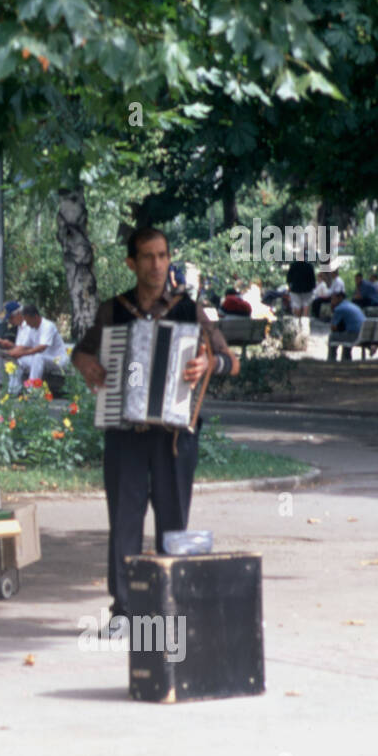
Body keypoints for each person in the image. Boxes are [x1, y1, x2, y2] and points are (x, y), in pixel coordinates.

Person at [70, 226, 238, 635]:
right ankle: (124, 612)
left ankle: (168, 608)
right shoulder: (114, 310)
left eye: (162, 256)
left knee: (173, 521)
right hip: (125, 433)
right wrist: (86, 365)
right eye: (147, 256)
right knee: (124, 522)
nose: (157, 264)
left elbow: (229, 360)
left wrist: (207, 366)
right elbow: (81, 351)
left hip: (175, 437)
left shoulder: (189, 310)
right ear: (131, 263)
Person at [0, 303, 70, 395]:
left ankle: (32, 390)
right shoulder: (32, 328)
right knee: (18, 360)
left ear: (35, 317)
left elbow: (41, 348)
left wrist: (22, 353)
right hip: (42, 360)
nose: (26, 324)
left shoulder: (48, 326)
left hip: (57, 360)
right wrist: (9, 353)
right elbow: (23, 347)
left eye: (28, 321)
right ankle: (14, 390)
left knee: (37, 357)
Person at [327, 290, 365, 361]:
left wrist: (332, 309)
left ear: (340, 298)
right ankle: (346, 358)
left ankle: (331, 360)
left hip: (354, 336)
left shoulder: (339, 308)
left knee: (332, 337)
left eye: (333, 299)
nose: (331, 301)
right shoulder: (353, 305)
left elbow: (333, 327)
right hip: (364, 334)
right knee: (346, 334)